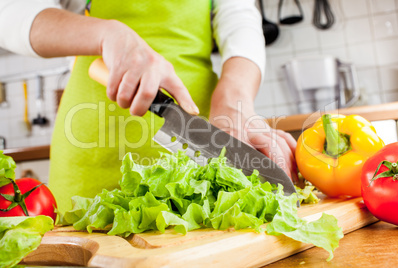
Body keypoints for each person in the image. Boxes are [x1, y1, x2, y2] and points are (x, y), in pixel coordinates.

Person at [0, 0, 297, 213]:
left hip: (199, 142)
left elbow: (240, 17)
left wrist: (234, 100)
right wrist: (105, 35)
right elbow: (9, 12)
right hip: (89, 148)